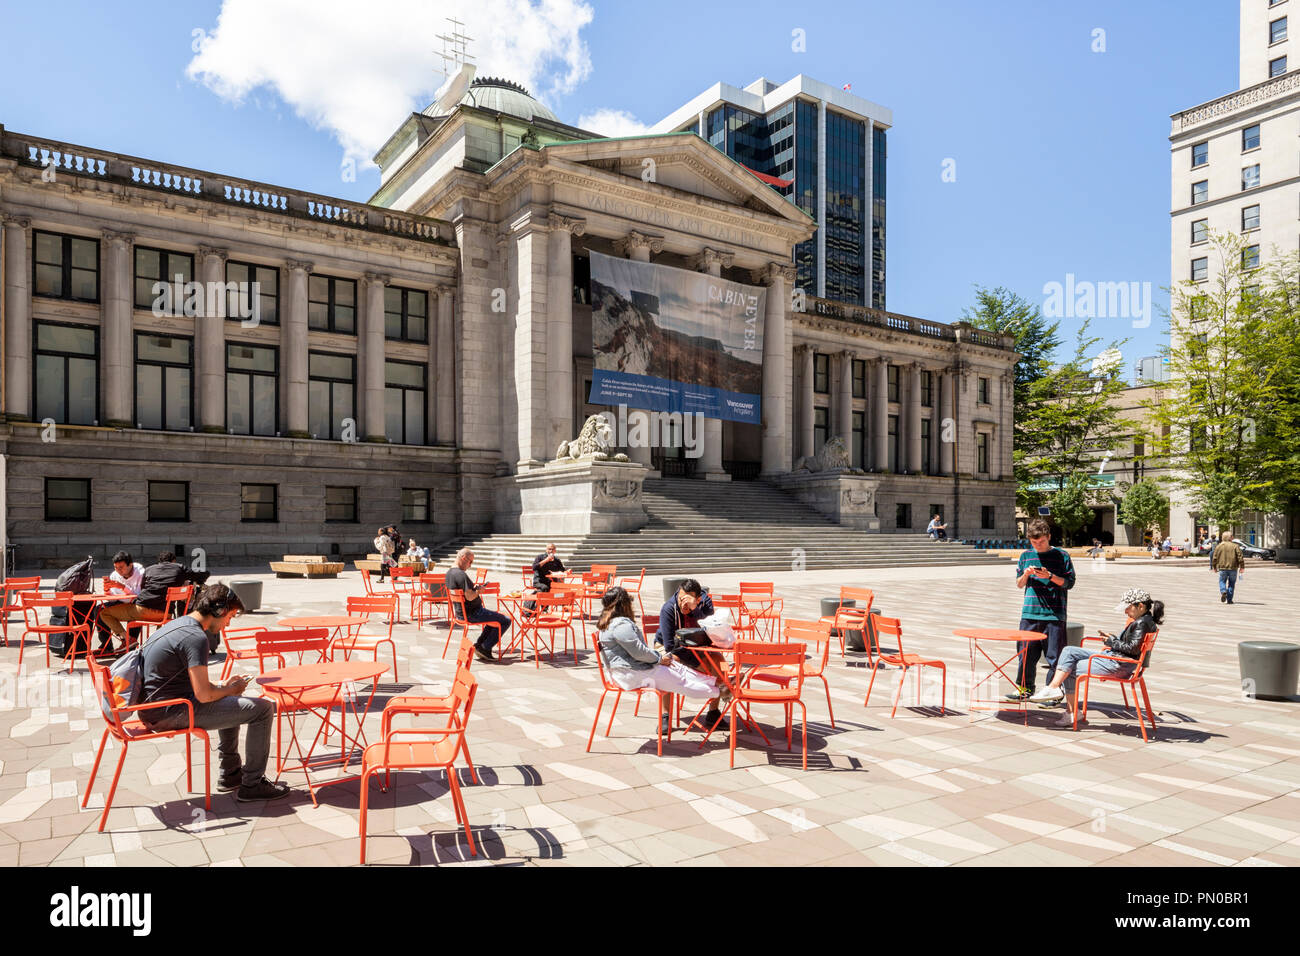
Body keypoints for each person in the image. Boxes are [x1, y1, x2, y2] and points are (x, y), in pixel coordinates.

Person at [138, 583, 290, 801]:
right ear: (219, 610)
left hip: (154, 709)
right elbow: (204, 696)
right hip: (170, 713)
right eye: (230, 616)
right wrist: (229, 689)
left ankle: (230, 774)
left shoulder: (177, 625)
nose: (228, 623)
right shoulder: (196, 638)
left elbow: (196, 687)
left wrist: (225, 688)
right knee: (263, 709)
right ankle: (253, 784)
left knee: (229, 696)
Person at [1030, 587, 1163, 728]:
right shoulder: (1145, 621)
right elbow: (1132, 646)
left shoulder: (1142, 623)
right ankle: (1054, 687)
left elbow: (1132, 648)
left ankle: (1071, 711)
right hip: (1117, 659)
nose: (1125, 612)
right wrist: (1112, 639)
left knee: (1068, 669)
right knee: (1069, 651)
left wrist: (1111, 641)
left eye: (1128, 608)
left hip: (1119, 664)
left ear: (1140, 606)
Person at [597, 586, 717, 736]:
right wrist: (659, 659)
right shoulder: (620, 624)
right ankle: (718, 690)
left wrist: (659, 659)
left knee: (676, 669)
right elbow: (639, 652)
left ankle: (716, 684)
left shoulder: (610, 622)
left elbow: (639, 652)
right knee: (679, 679)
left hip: (627, 671)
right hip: (629, 673)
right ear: (624, 604)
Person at [1009, 518, 1076, 700]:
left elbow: (1069, 583)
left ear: (1049, 537)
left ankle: (1052, 691)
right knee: (1025, 653)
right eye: (1034, 542)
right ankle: (1025, 688)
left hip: (1054, 615)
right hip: (1029, 613)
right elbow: (1019, 584)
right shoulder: (1025, 556)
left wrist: (1050, 576)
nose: (1038, 545)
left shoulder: (1062, 556)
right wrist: (1026, 574)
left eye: (1042, 541)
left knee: (1055, 657)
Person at [656, 579, 728, 726]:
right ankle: (665, 715)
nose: (683, 603)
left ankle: (713, 712)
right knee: (667, 664)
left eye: (688, 600)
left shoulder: (705, 603)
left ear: (698, 599)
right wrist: (697, 664)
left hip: (697, 646)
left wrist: (695, 610)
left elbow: (711, 629)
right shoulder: (668, 609)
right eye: (681, 598)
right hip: (669, 645)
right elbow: (669, 646)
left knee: (719, 661)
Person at [98, 551, 207, 647]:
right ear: (173, 561)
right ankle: (155, 645)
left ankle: (127, 639)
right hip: (166, 614)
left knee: (104, 613)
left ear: (159, 561)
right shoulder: (180, 568)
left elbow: (143, 589)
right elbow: (202, 575)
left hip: (143, 610)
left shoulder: (149, 570)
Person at [445, 548, 510, 662]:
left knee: (495, 618)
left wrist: (474, 589)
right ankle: (485, 647)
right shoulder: (461, 574)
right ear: (463, 558)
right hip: (472, 613)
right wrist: (478, 592)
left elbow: (465, 593)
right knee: (505, 620)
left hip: (460, 613)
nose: (470, 565)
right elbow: (470, 596)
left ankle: (480, 645)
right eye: (470, 562)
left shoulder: (449, 573)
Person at [1211, 531, 1246, 604]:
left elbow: (1214, 558)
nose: (1233, 537)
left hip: (1222, 568)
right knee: (1232, 583)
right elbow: (1240, 557)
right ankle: (1229, 600)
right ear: (1230, 537)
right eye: (1232, 536)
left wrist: (1214, 567)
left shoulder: (1219, 546)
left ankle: (1223, 591)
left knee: (1222, 581)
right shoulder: (1235, 546)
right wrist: (1242, 567)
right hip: (1233, 568)